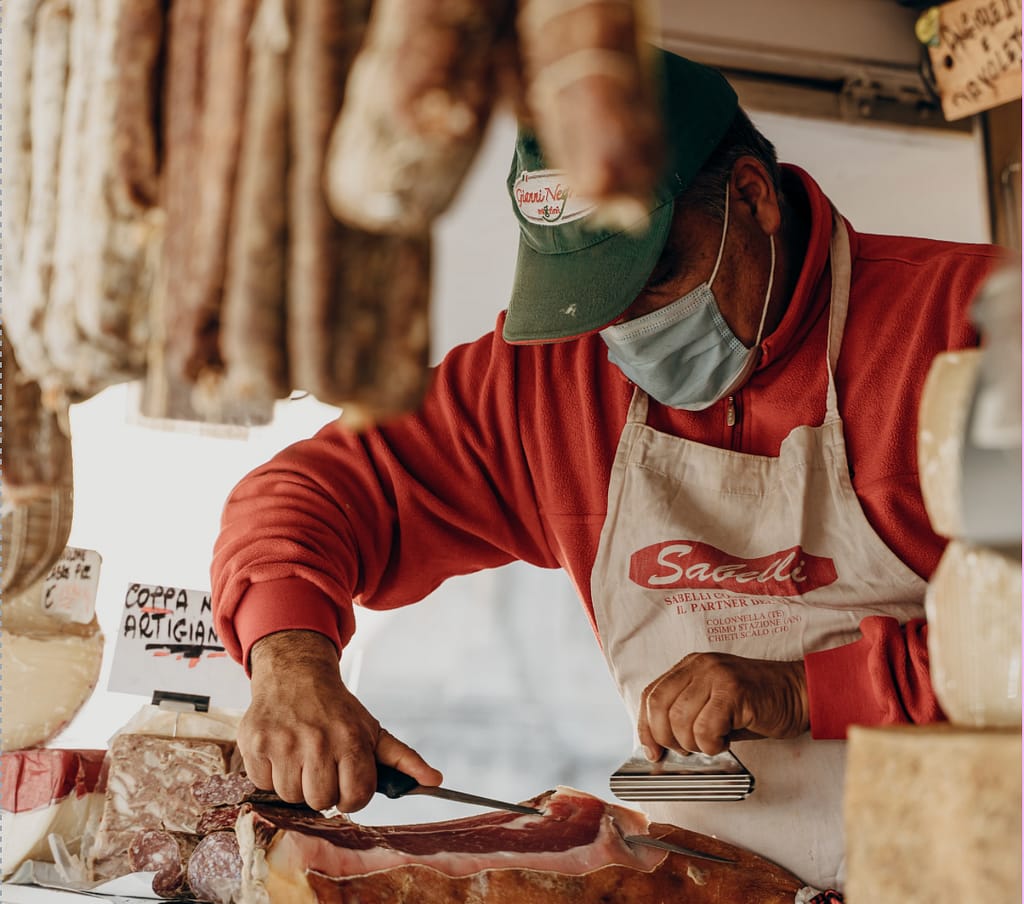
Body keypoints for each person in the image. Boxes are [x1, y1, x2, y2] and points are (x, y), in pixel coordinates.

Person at [210, 48, 1003, 890]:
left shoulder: (976, 331)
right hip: (723, 885)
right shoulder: (553, 379)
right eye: (593, 299)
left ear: (751, 197)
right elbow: (309, 493)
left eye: (651, 279)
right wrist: (290, 661)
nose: (623, 333)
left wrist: (807, 691)